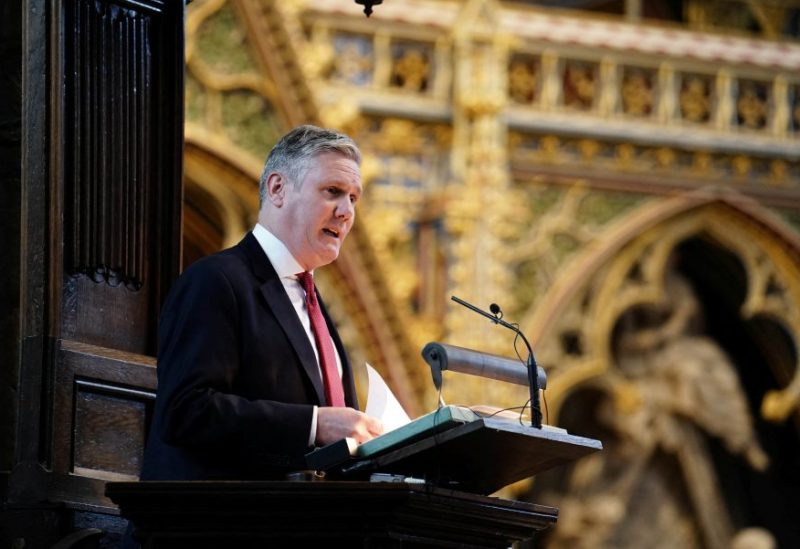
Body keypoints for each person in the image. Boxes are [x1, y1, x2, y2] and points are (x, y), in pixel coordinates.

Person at [139, 125, 384, 481]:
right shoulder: (216, 280)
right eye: (333, 191)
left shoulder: (314, 305)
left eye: (353, 199)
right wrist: (314, 424)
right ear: (278, 188)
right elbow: (185, 411)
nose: (346, 211)